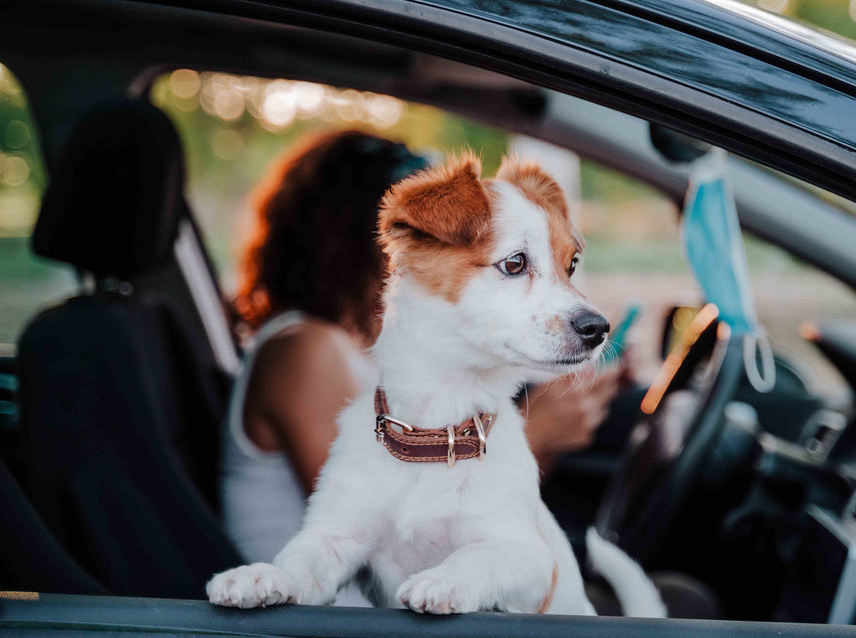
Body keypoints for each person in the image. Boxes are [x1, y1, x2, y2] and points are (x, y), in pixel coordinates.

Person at [220, 130, 629, 599]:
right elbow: (387, 533)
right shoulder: (303, 349)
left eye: (567, 266)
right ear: (369, 233)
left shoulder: (362, 351)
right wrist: (541, 432)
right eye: (515, 264)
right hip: (346, 621)